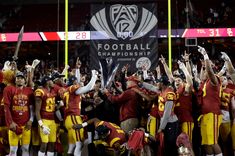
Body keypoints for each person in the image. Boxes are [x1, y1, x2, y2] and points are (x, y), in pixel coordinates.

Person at [197, 46, 223, 156]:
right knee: (206, 143)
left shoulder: (214, 80)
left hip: (213, 114)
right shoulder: (205, 82)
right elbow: (200, 76)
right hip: (205, 115)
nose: (206, 69)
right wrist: (202, 65)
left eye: (208, 68)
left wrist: (205, 56)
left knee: (213, 142)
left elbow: (209, 71)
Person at [3, 71, 34, 156]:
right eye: (18, 78)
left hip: (26, 125)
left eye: (21, 78)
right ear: (15, 80)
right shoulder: (9, 89)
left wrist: (31, 120)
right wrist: (10, 122)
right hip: (14, 124)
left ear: (25, 81)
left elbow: (32, 107)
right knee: (13, 151)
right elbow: (6, 107)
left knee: (25, 149)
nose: (19, 80)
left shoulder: (29, 91)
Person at [35, 75, 57, 156]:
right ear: (47, 82)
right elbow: (37, 111)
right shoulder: (41, 91)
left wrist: (59, 106)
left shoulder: (52, 92)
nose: (53, 82)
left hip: (52, 121)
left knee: (52, 144)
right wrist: (42, 125)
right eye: (51, 80)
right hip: (44, 120)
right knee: (44, 144)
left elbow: (52, 108)